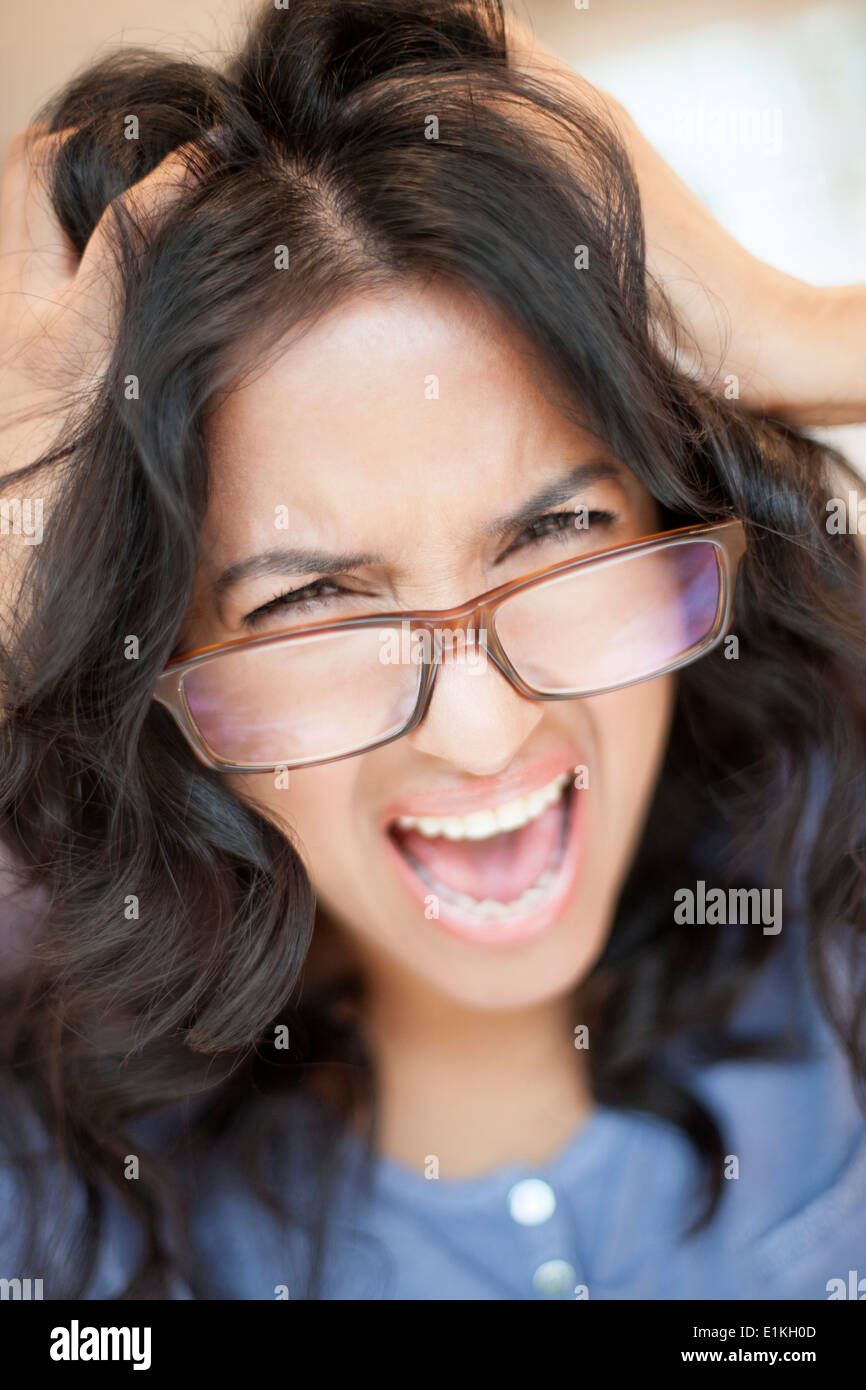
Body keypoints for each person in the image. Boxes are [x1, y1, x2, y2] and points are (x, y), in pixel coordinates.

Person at [0, 0, 864, 1300]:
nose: (480, 728)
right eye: (310, 600)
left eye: (557, 530)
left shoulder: (829, 914)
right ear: (157, 656)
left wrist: (802, 336)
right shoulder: (54, 1172)